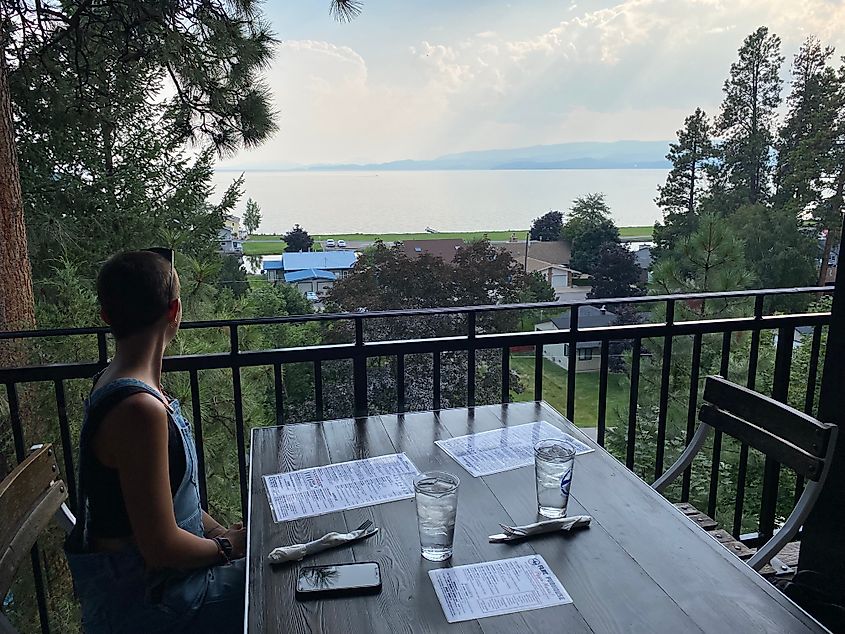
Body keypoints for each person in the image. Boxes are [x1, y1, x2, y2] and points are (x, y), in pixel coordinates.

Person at [65, 250, 246, 633]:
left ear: (107, 317)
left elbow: (161, 503)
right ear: (174, 311)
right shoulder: (138, 409)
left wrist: (216, 533)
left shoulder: (116, 383)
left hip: (158, 589)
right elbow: (161, 547)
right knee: (286, 581)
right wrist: (229, 548)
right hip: (154, 606)